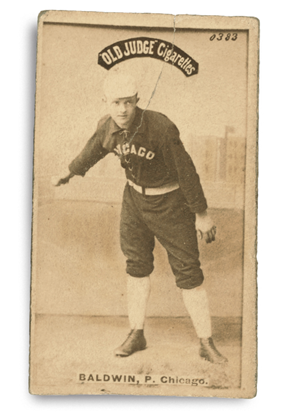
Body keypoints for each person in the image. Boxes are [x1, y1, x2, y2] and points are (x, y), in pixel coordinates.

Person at [55, 71, 227, 364]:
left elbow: (186, 171)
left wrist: (201, 214)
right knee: (136, 265)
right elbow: (93, 149)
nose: (122, 109)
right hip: (134, 200)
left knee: (188, 271)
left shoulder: (160, 127)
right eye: (115, 102)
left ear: (137, 101)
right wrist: (71, 171)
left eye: (128, 102)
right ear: (106, 102)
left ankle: (205, 341)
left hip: (171, 203)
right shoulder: (107, 126)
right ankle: (137, 333)